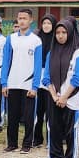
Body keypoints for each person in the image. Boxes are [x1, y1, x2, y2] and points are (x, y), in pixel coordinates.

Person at [42, 18, 79, 158]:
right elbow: (46, 77)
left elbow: (77, 78)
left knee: (70, 130)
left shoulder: (78, 53)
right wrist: (55, 96)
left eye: (64, 32)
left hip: (71, 98)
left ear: (70, 33)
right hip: (54, 97)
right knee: (54, 128)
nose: (60, 36)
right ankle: (56, 157)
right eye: (57, 33)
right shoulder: (51, 53)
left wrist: (64, 97)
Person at [0, 8, 43, 153]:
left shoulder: (36, 41)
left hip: (28, 85)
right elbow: (5, 62)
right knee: (12, 116)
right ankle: (12, 143)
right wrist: (4, 83)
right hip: (12, 83)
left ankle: (27, 144)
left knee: (29, 116)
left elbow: (38, 66)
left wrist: (35, 86)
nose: (22, 21)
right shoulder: (10, 38)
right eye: (20, 18)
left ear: (31, 20)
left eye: (25, 18)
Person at [34, 14, 57, 148]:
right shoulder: (37, 39)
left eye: (49, 23)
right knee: (38, 110)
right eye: (44, 23)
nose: (46, 26)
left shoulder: (56, 39)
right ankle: (37, 138)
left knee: (50, 111)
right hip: (38, 76)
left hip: (51, 78)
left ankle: (51, 138)